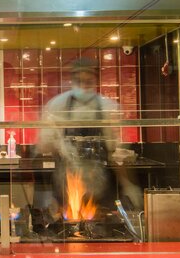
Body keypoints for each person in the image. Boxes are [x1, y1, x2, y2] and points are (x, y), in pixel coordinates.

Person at [37, 57, 143, 212]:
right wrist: (60, 146)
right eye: (79, 81)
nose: (84, 86)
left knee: (102, 222)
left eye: (88, 81)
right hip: (67, 185)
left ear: (95, 80)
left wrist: (128, 184)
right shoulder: (57, 105)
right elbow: (44, 146)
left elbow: (116, 154)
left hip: (100, 187)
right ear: (72, 80)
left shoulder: (108, 107)